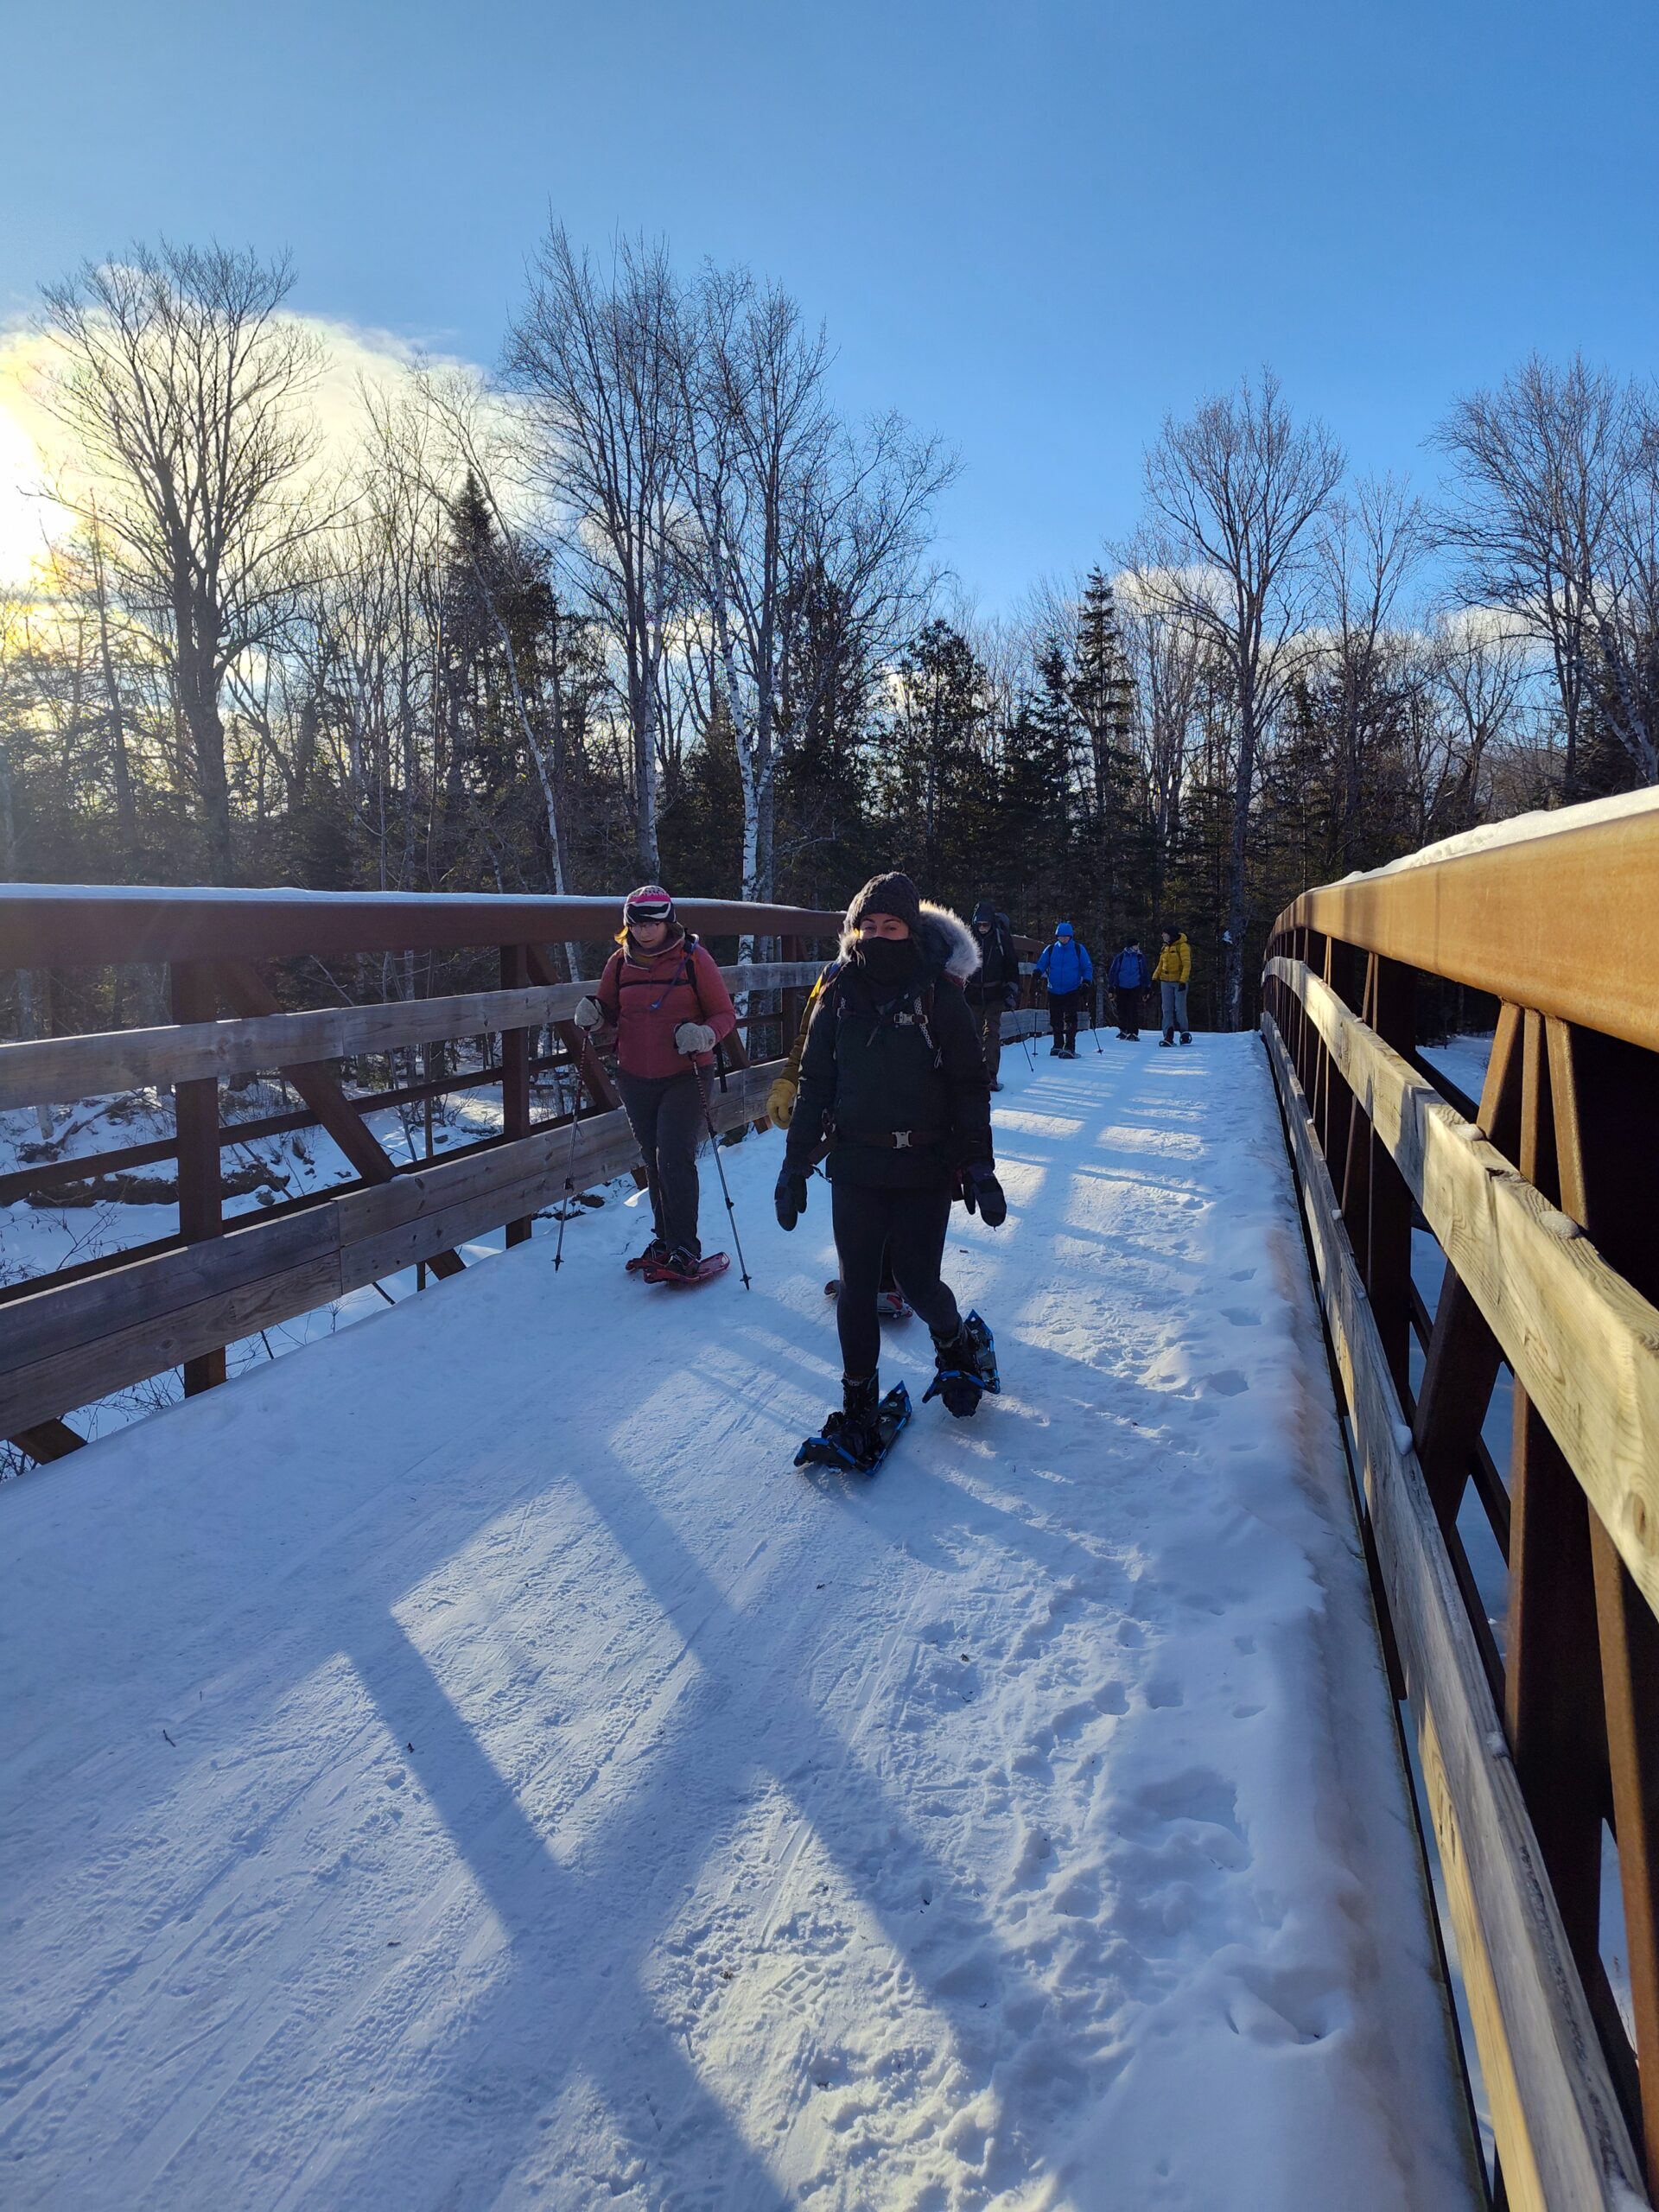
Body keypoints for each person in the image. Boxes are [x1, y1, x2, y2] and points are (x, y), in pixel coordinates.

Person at [773, 870, 1006, 1465]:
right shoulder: (839, 992)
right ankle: (858, 1407)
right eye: (867, 926)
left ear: (912, 930)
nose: (877, 935)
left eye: (891, 926)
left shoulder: (939, 994)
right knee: (856, 1286)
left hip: (924, 1164)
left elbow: (967, 1084)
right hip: (855, 1161)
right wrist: (795, 1163)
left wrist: (978, 1164)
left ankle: (956, 1344)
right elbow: (817, 1083)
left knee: (915, 1281)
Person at [574, 884, 737, 1283]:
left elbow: (724, 1014)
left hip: (686, 1074)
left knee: (674, 1157)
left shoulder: (695, 959)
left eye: (653, 923)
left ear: (669, 921)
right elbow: (610, 1014)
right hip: (634, 1076)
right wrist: (594, 1016)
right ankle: (664, 1240)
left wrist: (704, 1036)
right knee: (652, 1157)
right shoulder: (618, 963)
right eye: (637, 923)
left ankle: (685, 1246)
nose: (646, 931)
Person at [769, 963, 908, 1320]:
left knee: (891, 1191)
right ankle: (864, 1279)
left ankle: (892, 1281)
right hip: (844, 1105)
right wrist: (788, 1081)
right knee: (855, 1197)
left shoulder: (915, 971)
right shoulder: (832, 976)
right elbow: (809, 1034)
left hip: (901, 1105)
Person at [963, 899, 1021, 1090]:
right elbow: (957, 964)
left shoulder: (1001, 938)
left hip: (995, 993)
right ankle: (973, 1073)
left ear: (991, 923)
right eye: (978, 924)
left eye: (985, 924)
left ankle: (990, 1075)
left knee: (992, 1033)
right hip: (972, 993)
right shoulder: (967, 938)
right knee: (973, 1035)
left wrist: (1010, 990)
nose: (981, 928)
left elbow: (1012, 966)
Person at [1035, 921, 1093, 1058]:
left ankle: (1070, 1046)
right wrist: (1038, 971)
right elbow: (1042, 962)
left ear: (1071, 937)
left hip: (1072, 989)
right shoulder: (1051, 949)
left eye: (1066, 937)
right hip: (1054, 989)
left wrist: (1086, 982)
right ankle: (1057, 1044)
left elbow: (1087, 967)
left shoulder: (1078, 949)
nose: (1064, 939)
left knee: (1070, 1018)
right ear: (1057, 936)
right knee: (1055, 1018)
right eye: (1061, 937)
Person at [1154, 925, 1193, 1046]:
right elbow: (1160, 964)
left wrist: (1183, 981)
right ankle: (1168, 1034)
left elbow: (1187, 965)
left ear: (1171, 935)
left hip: (1178, 982)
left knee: (1179, 1008)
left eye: (1165, 933)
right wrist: (1155, 978)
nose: (1163, 936)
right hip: (1166, 982)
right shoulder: (1165, 948)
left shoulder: (1183, 947)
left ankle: (1184, 1032)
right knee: (1166, 1009)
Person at [1107, 936, 1151, 1039]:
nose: (1137, 947)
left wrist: (1147, 987)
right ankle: (1123, 1030)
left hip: (1135, 986)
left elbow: (1144, 972)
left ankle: (1133, 1032)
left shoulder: (1140, 957)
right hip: (1121, 986)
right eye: (1136, 945)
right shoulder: (1120, 957)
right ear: (1131, 946)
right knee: (1121, 1009)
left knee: (1133, 1009)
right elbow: (1113, 972)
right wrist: (1111, 987)